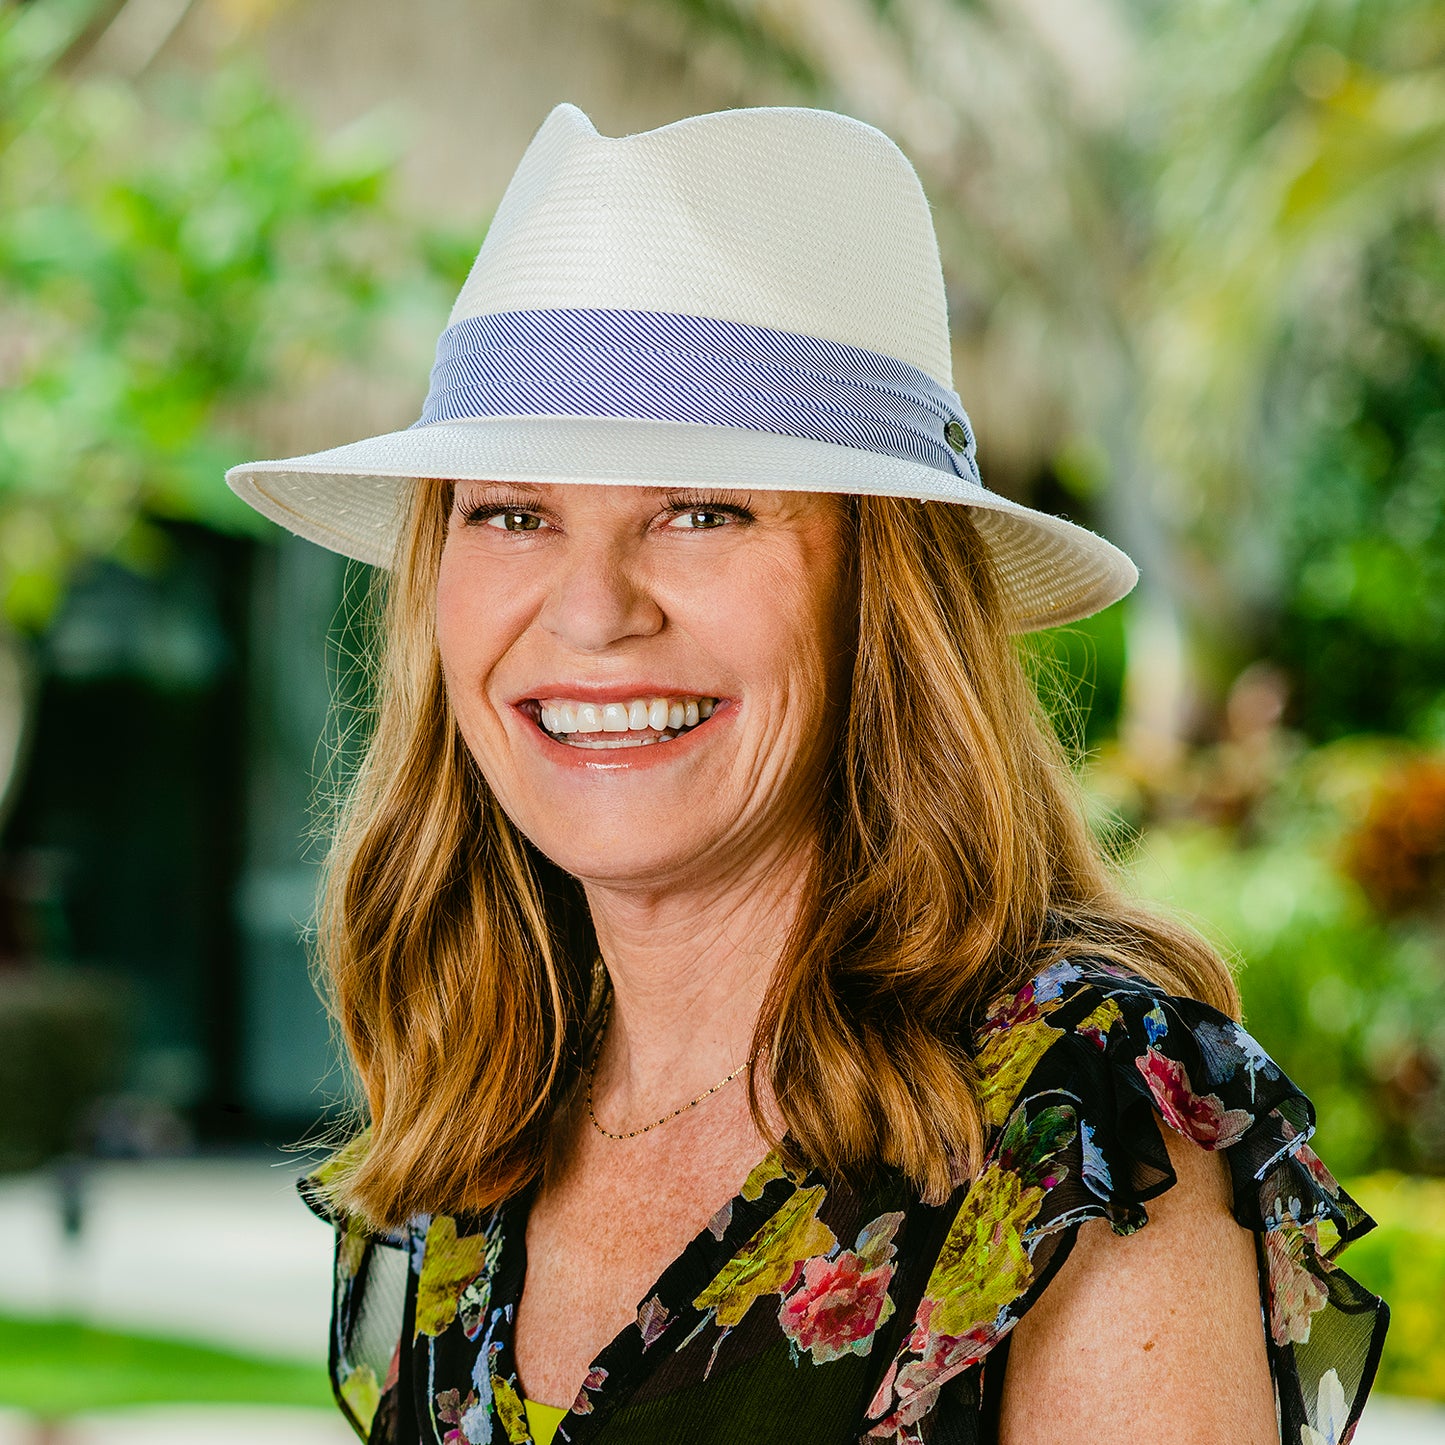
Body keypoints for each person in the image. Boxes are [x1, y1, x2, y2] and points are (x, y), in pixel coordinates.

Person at [226, 103, 1388, 1445]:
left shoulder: (1084, 1123)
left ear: (880, 596)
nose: (592, 613)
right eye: (513, 513)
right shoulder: (486, 1116)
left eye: (702, 509)